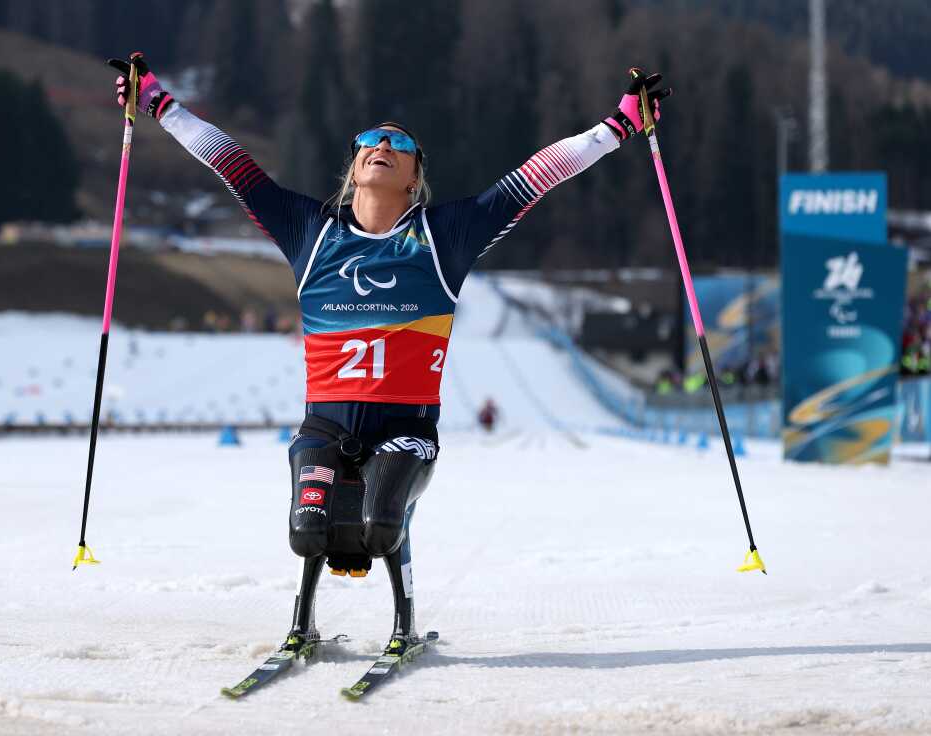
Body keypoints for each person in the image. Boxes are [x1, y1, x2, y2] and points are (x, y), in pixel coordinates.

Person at [110, 53, 669, 656]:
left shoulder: (443, 236)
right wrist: (160, 104)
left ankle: (403, 623)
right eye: (369, 142)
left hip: (407, 429)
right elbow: (232, 166)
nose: (382, 145)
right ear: (353, 168)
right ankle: (303, 621)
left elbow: (539, 173)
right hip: (324, 423)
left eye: (398, 144)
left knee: (379, 524)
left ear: (413, 177)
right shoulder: (310, 231)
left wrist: (619, 125)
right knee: (308, 532)